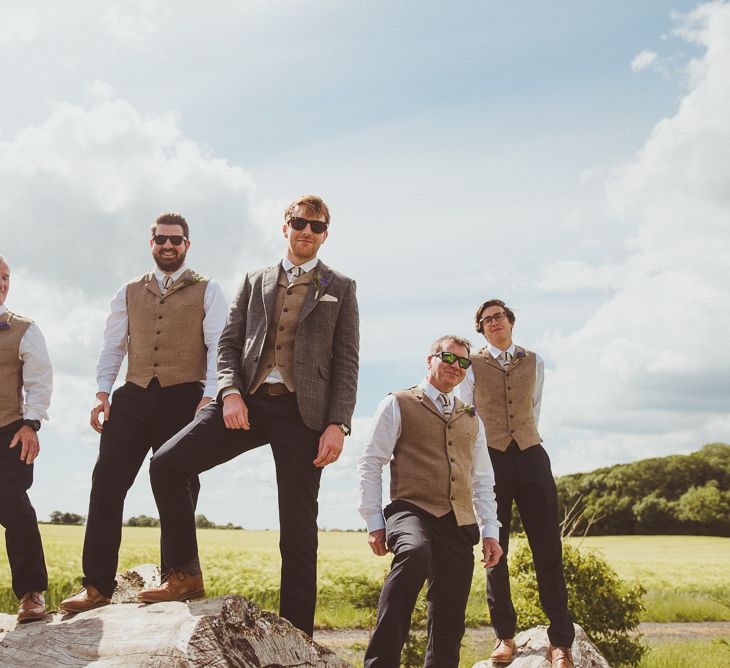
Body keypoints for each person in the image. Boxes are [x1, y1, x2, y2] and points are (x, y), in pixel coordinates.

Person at [138, 195, 360, 637]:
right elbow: (227, 344)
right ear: (286, 227)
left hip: (305, 414)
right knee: (166, 463)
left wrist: (339, 423)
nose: (307, 232)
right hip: (249, 402)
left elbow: (347, 361)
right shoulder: (254, 279)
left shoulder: (340, 286)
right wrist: (231, 392)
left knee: (297, 530)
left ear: (325, 235)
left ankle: (297, 639)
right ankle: (183, 573)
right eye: (300, 223)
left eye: (317, 227)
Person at [61, 213, 228, 613]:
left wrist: (209, 396)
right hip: (134, 394)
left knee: (178, 482)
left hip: (186, 395)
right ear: (151, 242)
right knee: (106, 481)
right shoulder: (128, 290)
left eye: (176, 240)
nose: (168, 246)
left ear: (187, 244)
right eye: (161, 240)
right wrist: (103, 392)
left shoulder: (208, 288)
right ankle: (97, 586)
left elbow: (219, 346)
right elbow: (112, 345)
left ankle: (180, 576)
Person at [358, 335, 502, 668]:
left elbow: (482, 479)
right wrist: (374, 521)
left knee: (451, 614)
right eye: (449, 358)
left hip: (458, 519)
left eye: (464, 362)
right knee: (414, 552)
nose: (456, 366)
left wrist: (490, 529)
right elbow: (371, 461)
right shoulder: (397, 402)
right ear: (430, 359)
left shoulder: (471, 418)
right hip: (411, 510)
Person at [458, 299, 574, 668]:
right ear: (481, 328)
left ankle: (560, 641)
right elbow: (467, 413)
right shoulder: (471, 364)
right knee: (495, 548)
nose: (494, 323)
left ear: (510, 321)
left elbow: (534, 407)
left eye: (499, 317)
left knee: (547, 548)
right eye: (486, 320)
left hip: (530, 453)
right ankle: (505, 636)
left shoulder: (535, 361)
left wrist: (523, 437)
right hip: (489, 458)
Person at [0, 255, 53, 623]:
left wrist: (30, 424)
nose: (3, 283)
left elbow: (39, 380)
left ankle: (31, 594)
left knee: (15, 507)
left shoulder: (24, 329)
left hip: (9, 431)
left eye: (5, 277)